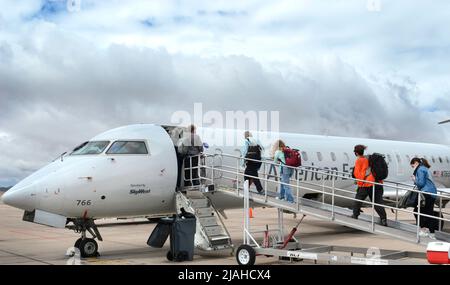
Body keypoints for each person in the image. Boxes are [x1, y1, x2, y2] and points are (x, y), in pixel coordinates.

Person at [351, 145, 387, 226]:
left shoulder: (360, 160)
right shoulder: (370, 159)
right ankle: (383, 219)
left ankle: (355, 215)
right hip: (377, 183)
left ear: (356, 153)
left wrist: (359, 183)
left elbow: (357, 174)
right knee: (378, 203)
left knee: (358, 200)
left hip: (366, 184)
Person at [410, 157, 438, 239]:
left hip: (426, 193)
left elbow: (421, 183)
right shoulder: (425, 168)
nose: (413, 168)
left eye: (412, 166)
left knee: (417, 210)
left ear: (415, 163)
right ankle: (432, 233)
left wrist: (414, 179)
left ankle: (423, 230)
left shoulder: (420, 169)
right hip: (432, 193)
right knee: (429, 213)